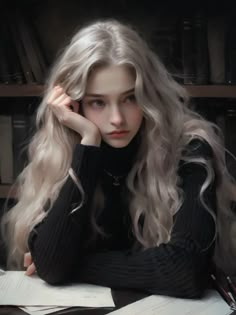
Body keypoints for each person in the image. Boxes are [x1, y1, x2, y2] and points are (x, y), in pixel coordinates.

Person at [1, 19, 236, 299]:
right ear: (74, 105)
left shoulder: (190, 149)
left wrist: (72, 266)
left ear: (149, 95)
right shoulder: (68, 150)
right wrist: (89, 142)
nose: (116, 119)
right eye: (97, 102)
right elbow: (50, 264)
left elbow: (182, 271)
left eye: (130, 98)